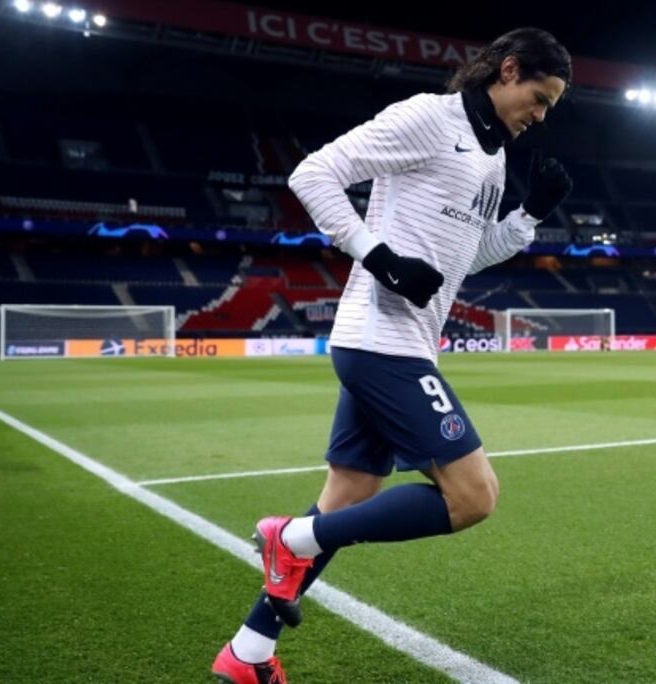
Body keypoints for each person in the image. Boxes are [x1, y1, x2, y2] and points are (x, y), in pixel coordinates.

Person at [211, 27, 573, 683]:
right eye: (540, 98)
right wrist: (380, 258)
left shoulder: (492, 157)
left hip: (394, 344)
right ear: (508, 70)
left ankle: (249, 651)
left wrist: (528, 216)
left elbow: (467, 255)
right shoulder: (429, 118)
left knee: (347, 498)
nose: (541, 116)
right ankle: (289, 538)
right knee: (473, 497)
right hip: (384, 343)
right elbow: (313, 173)